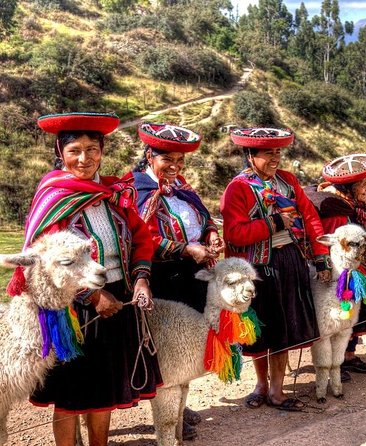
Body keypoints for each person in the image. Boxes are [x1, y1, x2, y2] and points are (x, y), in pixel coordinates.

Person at [6, 112, 162, 446]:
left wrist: (141, 279)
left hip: (118, 298)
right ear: (60, 152)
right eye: (75, 149)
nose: (84, 158)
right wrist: (92, 297)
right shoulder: (54, 197)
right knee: (72, 395)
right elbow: (45, 267)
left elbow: (141, 237)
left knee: (102, 391)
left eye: (92, 148)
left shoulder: (112, 194)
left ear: (102, 151)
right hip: (73, 308)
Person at [220, 127, 331, 412]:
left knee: (282, 328)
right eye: (268, 152)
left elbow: (309, 218)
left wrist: (321, 257)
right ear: (250, 155)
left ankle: (277, 390)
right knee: (261, 330)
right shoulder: (239, 188)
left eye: (278, 152)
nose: (275, 158)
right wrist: (275, 224)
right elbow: (234, 233)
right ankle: (260, 385)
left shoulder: (288, 182)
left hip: (289, 261)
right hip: (257, 268)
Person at [132, 122, 223, 439]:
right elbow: (142, 237)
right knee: (167, 347)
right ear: (149, 155)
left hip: (190, 276)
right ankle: (166, 415)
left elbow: (205, 216)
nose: (175, 167)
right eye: (167, 159)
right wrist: (185, 249)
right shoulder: (137, 189)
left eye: (180, 161)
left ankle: (180, 407)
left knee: (188, 343)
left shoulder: (181, 185)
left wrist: (211, 235)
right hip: (161, 277)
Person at [304, 153, 366, 382]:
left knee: (353, 315)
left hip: (360, 265)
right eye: (363, 185)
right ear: (349, 187)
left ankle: (348, 356)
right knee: (338, 314)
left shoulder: (362, 206)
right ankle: (332, 363)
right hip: (342, 271)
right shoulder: (337, 211)